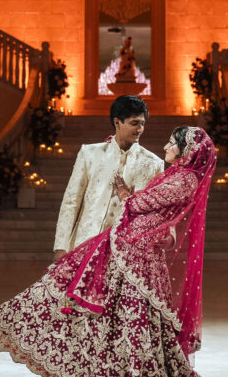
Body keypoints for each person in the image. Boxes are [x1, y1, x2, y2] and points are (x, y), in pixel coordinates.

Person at [0, 126, 228, 377]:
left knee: (128, 315)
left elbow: (143, 203)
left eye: (171, 144)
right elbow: (142, 201)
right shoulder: (176, 175)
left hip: (139, 255)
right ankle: (87, 366)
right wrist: (130, 198)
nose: (164, 148)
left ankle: (125, 375)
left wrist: (126, 195)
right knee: (90, 297)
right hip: (129, 247)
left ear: (185, 149)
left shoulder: (186, 179)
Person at [53, 95, 163, 259]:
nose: (140, 129)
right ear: (117, 122)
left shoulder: (154, 163)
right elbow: (71, 201)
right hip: (86, 244)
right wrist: (61, 246)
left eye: (142, 124)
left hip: (127, 251)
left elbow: (156, 210)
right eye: (134, 123)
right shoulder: (90, 154)